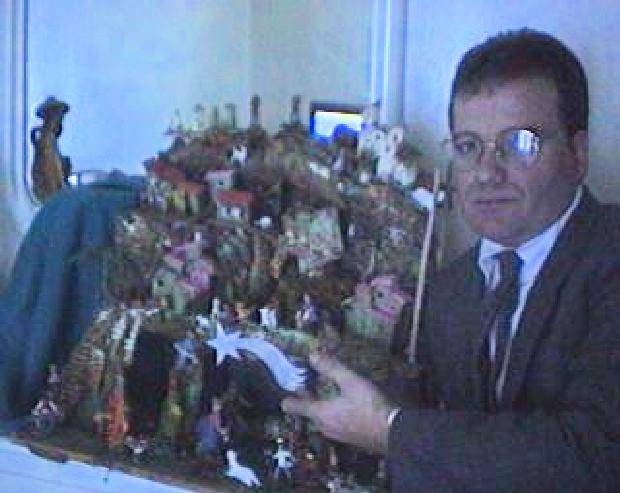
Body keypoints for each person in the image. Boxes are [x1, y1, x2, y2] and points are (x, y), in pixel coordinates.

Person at [282, 28, 620, 492]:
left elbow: (595, 456)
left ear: (577, 155)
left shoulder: (609, 257)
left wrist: (391, 431)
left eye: (518, 143)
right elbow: (455, 449)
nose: (486, 173)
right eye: (468, 146)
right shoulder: (449, 288)